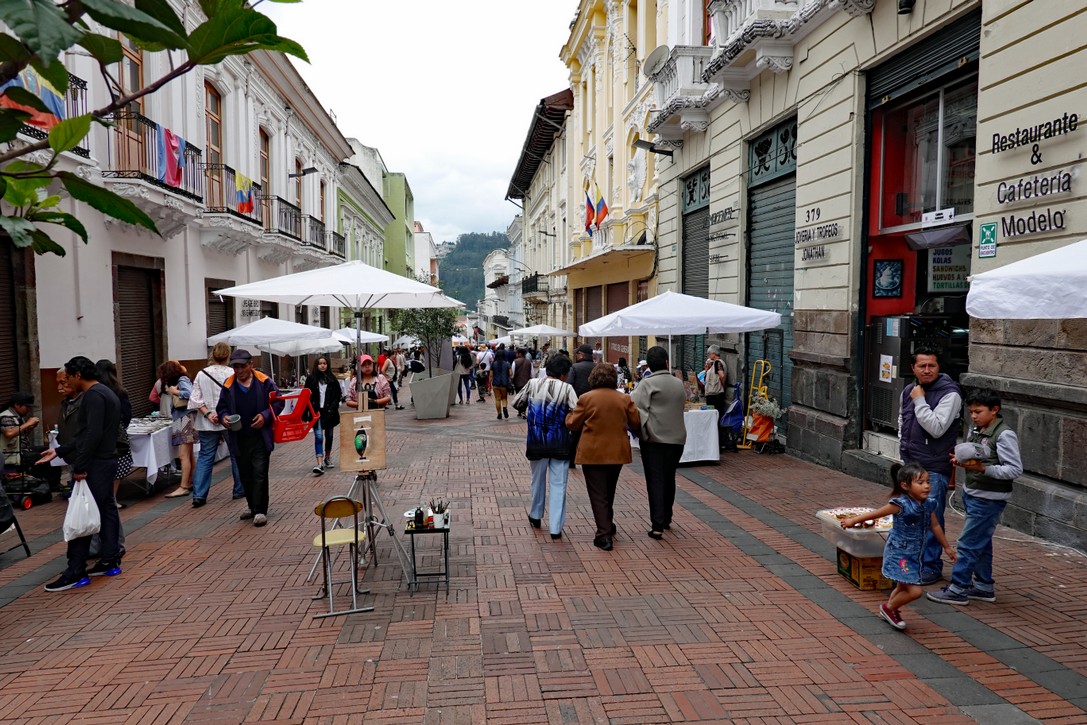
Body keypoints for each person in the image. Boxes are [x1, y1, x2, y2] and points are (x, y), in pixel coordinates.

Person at [928, 388, 1022, 606]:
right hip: (973, 493)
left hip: (989, 498)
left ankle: (958, 588)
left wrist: (982, 470)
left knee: (968, 543)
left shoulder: (1004, 434)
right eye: (971, 412)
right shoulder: (976, 430)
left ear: (994, 410)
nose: (973, 416)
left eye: (978, 411)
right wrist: (962, 462)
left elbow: (1014, 469)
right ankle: (983, 586)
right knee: (981, 542)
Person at [36, 356, 123, 591]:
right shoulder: (106, 392)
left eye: (68, 377)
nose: (66, 383)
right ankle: (110, 559)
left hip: (96, 463)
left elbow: (91, 433)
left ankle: (75, 570)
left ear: (77, 375)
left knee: (81, 515)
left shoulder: (93, 396)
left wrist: (81, 466)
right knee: (106, 509)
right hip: (107, 459)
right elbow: (89, 433)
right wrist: (60, 451)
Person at [840, 463, 956, 630]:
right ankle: (889, 608)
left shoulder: (928, 504)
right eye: (920, 482)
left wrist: (946, 547)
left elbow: (935, 526)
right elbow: (876, 513)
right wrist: (852, 521)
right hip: (899, 554)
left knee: (903, 585)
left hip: (915, 554)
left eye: (927, 482)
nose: (926, 486)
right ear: (905, 485)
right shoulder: (900, 504)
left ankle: (890, 610)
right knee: (915, 591)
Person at [898, 346, 962, 584]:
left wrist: (920, 401)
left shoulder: (950, 394)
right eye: (922, 366)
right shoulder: (909, 390)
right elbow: (902, 421)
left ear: (939, 367)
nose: (927, 370)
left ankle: (931, 566)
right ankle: (914, 563)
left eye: (931, 366)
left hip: (934, 467)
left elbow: (936, 427)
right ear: (912, 368)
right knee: (910, 516)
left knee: (931, 518)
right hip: (911, 465)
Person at [565, 363, 640, 551]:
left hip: (593, 452)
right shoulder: (624, 398)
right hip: (617, 451)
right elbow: (636, 422)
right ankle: (608, 523)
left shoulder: (586, 398)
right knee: (609, 489)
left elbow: (573, 424)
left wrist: (567, 416)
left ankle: (603, 534)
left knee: (598, 493)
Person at [511, 354, 578, 540]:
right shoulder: (567, 388)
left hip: (536, 442)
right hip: (560, 442)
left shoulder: (533, 384)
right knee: (559, 484)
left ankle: (535, 515)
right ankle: (556, 528)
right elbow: (577, 411)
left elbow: (516, 403)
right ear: (564, 373)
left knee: (537, 480)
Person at [216, 349, 283, 527]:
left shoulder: (264, 381)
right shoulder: (228, 385)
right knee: (244, 474)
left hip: (260, 437)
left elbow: (278, 401)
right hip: (238, 437)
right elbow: (221, 408)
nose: (239, 371)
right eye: (236, 367)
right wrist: (224, 418)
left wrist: (265, 416)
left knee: (259, 472)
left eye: (242, 366)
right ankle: (252, 506)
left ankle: (260, 510)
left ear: (251, 365)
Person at [631, 346, 687, 540]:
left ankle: (657, 525)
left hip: (654, 439)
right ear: (666, 363)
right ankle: (667, 518)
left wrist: (641, 428)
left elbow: (634, 408)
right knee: (669, 477)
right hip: (677, 439)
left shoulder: (647, 384)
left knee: (655, 480)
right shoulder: (678, 383)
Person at [188, 342, 244, 505]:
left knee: (205, 456)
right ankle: (239, 490)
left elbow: (195, 399)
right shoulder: (233, 373)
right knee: (235, 454)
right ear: (228, 356)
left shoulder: (202, 373)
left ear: (213, 354)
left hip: (207, 420)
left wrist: (208, 414)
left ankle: (199, 495)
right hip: (229, 419)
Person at [1, 391, 61, 490]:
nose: (29, 410)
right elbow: (9, 433)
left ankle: (52, 483)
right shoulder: (6, 417)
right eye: (27, 407)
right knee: (38, 457)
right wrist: (28, 424)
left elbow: (21, 436)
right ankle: (44, 485)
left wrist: (30, 428)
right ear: (17, 405)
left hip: (23, 450)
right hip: (12, 454)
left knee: (52, 451)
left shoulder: (18, 416)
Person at [95, 360, 132, 510]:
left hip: (100, 433)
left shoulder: (94, 391)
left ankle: (101, 498)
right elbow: (127, 414)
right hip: (117, 433)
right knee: (117, 467)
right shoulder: (119, 391)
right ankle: (113, 499)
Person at [160, 361, 197, 499]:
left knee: (183, 455)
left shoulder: (182, 380)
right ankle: (191, 481)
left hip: (184, 418)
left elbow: (190, 393)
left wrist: (175, 391)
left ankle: (184, 486)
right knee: (189, 454)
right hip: (182, 418)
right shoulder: (183, 378)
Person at [304, 354, 343, 476]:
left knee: (329, 435)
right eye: (320, 363)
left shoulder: (332, 379)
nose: (322, 365)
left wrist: (333, 407)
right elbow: (305, 397)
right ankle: (319, 463)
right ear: (316, 365)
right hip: (316, 412)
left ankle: (327, 456)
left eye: (324, 363)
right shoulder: (311, 379)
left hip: (329, 412)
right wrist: (306, 414)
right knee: (319, 436)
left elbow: (338, 395)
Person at [565, 345, 596, 468]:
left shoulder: (574, 368)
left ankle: (572, 460)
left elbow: (569, 385)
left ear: (582, 355)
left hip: (578, 404)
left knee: (575, 434)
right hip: (594, 405)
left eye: (578, 354)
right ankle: (590, 460)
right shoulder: (597, 367)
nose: (576, 356)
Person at [702, 344, 727, 413]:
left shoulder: (717, 363)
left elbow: (722, 376)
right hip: (713, 394)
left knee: (713, 413)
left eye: (709, 354)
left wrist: (722, 385)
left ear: (714, 354)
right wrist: (707, 369)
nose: (709, 356)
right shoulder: (714, 363)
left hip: (715, 394)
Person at [490, 344, 512, 420]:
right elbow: (510, 373)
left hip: (495, 383)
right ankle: (505, 408)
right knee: (504, 398)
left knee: (497, 399)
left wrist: (489, 385)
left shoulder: (493, 364)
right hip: (504, 383)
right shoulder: (507, 363)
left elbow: (491, 375)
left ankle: (499, 413)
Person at [510, 348, 533, 417]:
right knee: (525, 397)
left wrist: (512, 380)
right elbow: (532, 374)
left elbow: (512, 374)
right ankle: (523, 410)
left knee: (519, 396)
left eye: (517, 353)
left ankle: (520, 411)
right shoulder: (529, 362)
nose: (516, 354)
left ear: (520, 354)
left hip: (517, 382)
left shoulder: (515, 362)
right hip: (527, 382)